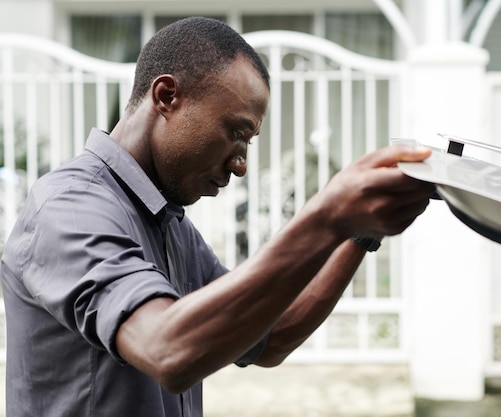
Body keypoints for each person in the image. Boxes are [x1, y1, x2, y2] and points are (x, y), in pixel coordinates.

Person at [0, 16, 434, 417]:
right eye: (236, 132)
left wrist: (357, 234)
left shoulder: (169, 223)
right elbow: (166, 349)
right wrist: (327, 216)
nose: (241, 163)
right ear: (166, 96)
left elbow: (272, 337)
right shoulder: (71, 207)